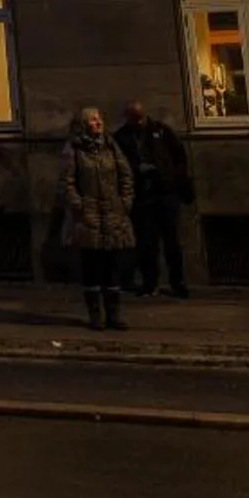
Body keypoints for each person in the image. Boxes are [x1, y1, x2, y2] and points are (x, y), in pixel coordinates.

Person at [59, 106, 136, 330]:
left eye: (99, 118)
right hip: (89, 214)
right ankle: (95, 314)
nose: (98, 122)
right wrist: (79, 205)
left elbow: (126, 176)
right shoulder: (75, 149)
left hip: (112, 213)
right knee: (91, 265)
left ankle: (114, 314)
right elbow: (67, 182)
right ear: (85, 124)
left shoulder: (110, 146)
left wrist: (125, 202)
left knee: (112, 265)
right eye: (93, 120)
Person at [115, 100, 193, 297]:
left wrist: (172, 178)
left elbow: (179, 156)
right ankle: (150, 282)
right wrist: (136, 169)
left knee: (172, 241)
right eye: (135, 119)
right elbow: (118, 164)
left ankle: (178, 282)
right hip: (142, 195)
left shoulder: (161, 131)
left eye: (141, 118)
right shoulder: (122, 137)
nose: (139, 123)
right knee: (146, 242)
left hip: (165, 192)